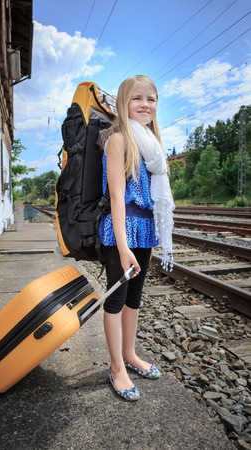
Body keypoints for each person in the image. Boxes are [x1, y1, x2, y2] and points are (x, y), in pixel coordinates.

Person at [98, 75, 175, 401]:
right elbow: (117, 197)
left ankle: (130, 354)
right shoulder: (119, 140)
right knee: (116, 300)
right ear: (123, 103)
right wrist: (124, 246)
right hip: (122, 231)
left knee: (134, 298)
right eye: (137, 98)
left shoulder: (151, 145)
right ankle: (117, 368)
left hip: (143, 230)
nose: (146, 105)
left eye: (151, 99)